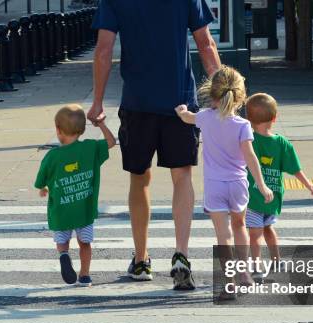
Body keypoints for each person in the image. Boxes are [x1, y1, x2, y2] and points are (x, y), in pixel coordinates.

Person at [88, 0, 221, 290]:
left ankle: (141, 259)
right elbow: (206, 44)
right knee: (182, 174)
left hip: (137, 103)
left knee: (140, 177)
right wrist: (222, 96)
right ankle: (182, 256)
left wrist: (98, 101)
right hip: (181, 102)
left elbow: (103, 51)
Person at [175, 66, 274, 291]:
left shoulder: (205, 118)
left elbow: (187, 118)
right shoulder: (243, 125)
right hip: (238, 184)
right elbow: (250, 157)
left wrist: (181, 111)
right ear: (240, 97)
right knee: (240, 227)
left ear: (213, 94)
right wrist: (261, 184)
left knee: (223, 235)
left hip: (214, 185)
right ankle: (245, 274)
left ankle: (228, 280)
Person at [34, 104, 116, 287]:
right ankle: (85, 275)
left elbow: (41, 179)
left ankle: (64, 255)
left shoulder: (52, 156)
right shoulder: (90, 148)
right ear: (82, 130)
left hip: (61, 211)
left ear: (58, 130)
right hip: (84, 211)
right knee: (84, 243)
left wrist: (43, 188)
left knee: (62, 241)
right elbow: (111, 142)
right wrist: (101, 124)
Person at [245, 93, 313, 276]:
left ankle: (259, 266)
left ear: (248, 119)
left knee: (256, 234)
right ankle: (270, 263)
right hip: (272, 198)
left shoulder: (247, 141)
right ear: (274, 118)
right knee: (265, 229)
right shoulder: (282, 143)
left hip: (252, 198)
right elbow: (295, 169)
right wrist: (309, 185)